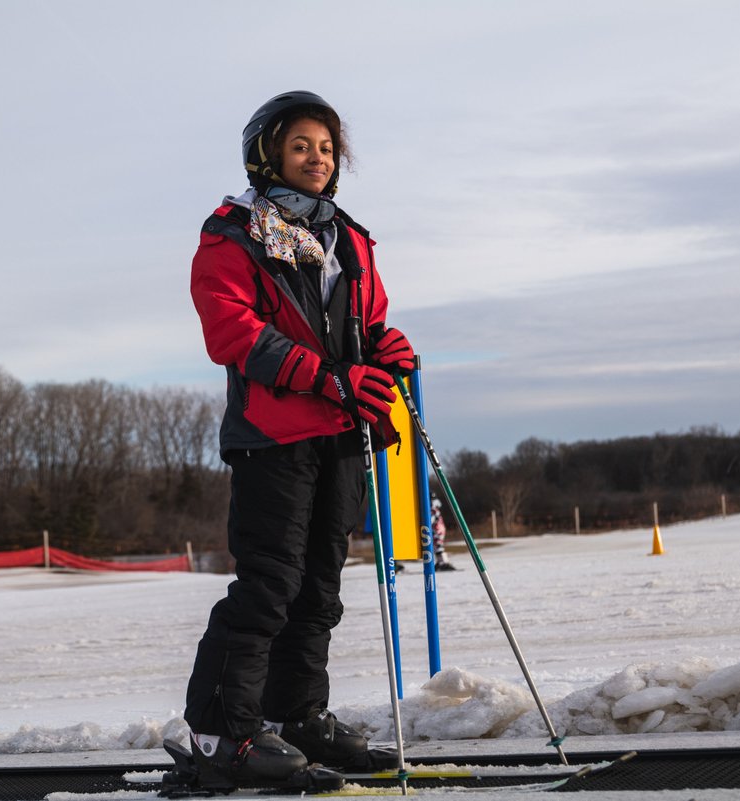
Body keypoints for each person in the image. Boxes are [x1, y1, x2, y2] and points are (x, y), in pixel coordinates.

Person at [184, 90, 416, 788]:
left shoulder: (349, 237)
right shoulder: (234, 233)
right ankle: (220, 731)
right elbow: (234, 331)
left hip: (341, 434)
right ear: (268, 156)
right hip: (273, 436)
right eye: (300, 146)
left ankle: (297, 717)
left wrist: (388, 352)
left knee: (318, 588)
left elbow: (368, 324)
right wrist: (329, 377)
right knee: (270, 586)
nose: (316, 157)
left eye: (325, 147)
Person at [431, 498, 457, 571]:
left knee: (438, 546)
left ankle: (443, 562)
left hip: (437, 530)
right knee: (437, 546)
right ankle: (440, 562)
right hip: (438, 529)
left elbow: (430, 520)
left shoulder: (433, 510)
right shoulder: (435, 509)